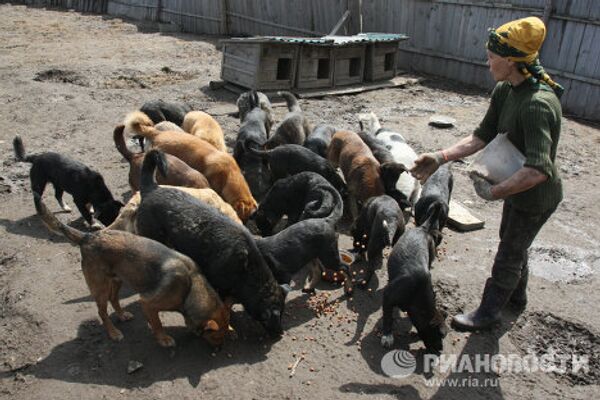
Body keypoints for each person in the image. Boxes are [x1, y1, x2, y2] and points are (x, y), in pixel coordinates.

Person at [411, 16, 563, 331]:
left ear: (511, 61)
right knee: (513, 242)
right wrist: (441, 157)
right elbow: (481, 136)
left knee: (509, 252)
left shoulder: (537, 105)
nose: (487, 62)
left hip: (536, 197)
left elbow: (538, 170)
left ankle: (488, 313)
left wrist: (494, 192)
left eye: (492, 58)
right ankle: (516, 299)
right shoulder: (506, 91)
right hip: (517, 187)